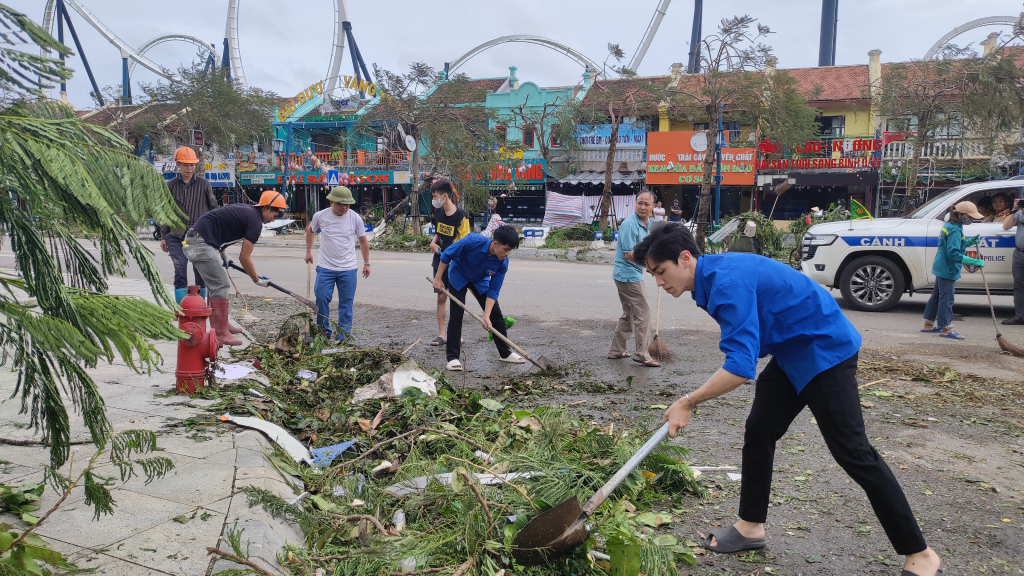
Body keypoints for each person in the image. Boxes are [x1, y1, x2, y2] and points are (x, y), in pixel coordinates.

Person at [631, 223, 943, 576]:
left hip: (825, 350)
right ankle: (750, 526)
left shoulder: (726, 283)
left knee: (854, 452)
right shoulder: (713, 274)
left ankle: (921, 556)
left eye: (660, 271)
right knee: (760, 430)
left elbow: (739, 367)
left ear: (684, 258)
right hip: (793, 349)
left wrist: (688, 401)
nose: (658, 282)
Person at [184, 190, 284, 346]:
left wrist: (223, 253)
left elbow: (222, 226)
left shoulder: (248, 212)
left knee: (216, 285)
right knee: (220, 284)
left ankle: (223, 324)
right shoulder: (255, 221)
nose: (273, 220)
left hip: (198, 240)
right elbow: (244, 258)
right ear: (265, 208)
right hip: (198, 243)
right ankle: (220, 332)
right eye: (275, 215)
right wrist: (256, 280)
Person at [432, 225, 525, 371]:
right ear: (495, 244)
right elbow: (447, 255)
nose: (507, 253)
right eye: (506, 249)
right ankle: (452, 358)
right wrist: (438, 279)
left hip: (479, 279)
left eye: (510, 250)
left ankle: (505, 353)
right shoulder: (472, 241)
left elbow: (493, 290)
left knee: (496, 315)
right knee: (457, 314)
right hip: (459, 274)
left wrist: (486, 316)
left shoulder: (502, 262)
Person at [305, 186, 370, 340]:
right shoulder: (320, 216)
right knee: (321, 298)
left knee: (346, 304)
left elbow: (363, 241)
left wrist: (367, 263)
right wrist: (308, 252)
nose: (344, 207)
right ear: (332, 202)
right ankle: (323, 333)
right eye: (341, 204)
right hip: (325, 267)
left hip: (348, 268)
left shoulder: (355, 218)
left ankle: (343, 337)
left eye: (347, 204)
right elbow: (311, 231)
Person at [160, 146, 219, 304]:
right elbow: (166, 212)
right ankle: (181, 309)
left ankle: (200, 307)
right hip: (176, 235)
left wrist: (217, 234)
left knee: (201, 273)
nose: (189, 168)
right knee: (180, 272)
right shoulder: (170, 186)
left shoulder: (204, 185)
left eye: (192, 164)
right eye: (186, 164)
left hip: (199, 236)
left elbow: (214, 209)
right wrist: (163, 236)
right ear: (178, 164)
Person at [609, 191, 659, 367]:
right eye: (640, 203)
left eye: (646, 204)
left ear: (654, 206)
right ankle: (642, 353)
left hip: (629, 274)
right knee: (643, 313)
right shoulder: (631, 225)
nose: (642, 207)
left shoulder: (647, 223)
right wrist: (651, 267)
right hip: (628, 275)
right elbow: (630, 254)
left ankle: (616, 350)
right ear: (635, 203)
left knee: (629, 314)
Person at [922, 201, 984, 339]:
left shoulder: (951, 226)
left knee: (937, 296)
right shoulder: (955, 229)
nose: (972, 219)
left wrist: (969, 242)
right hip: (948, 268)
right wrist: (974, 261)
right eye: (970, 216)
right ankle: (946, 329)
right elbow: (954, 254)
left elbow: (953, 244)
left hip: (941, 266)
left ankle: (928, 324)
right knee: (946, 299)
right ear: (960, 214)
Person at [428, 179, 470, 347]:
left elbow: (465, 241)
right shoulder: (438, 212)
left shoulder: (461, 215)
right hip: (439, 261)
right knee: (441, 296)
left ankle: (456, 334)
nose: (434, 199)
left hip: (455, 264)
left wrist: (451, 255)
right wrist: (433, 242)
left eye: (435, 196)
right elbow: (438, 233)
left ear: (445, 196)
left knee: (456, 298)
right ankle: (441, 334)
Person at [1002, 197, 1024, 325]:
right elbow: (1006, 226)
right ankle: (1020, 316)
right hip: (1020, 252)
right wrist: (1014, 210)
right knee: (1019, 285)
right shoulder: (1019, 212)